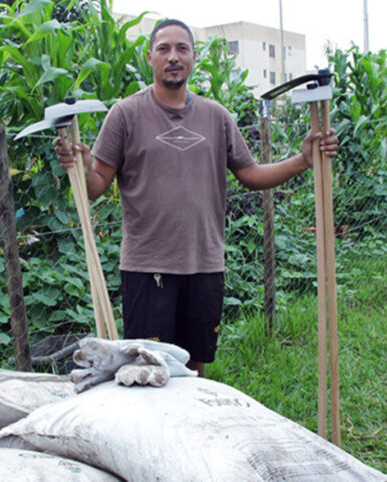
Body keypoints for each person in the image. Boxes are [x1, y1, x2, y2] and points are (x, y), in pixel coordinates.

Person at [54, 19, 338, 377]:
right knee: (146, 368)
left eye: (182, 49)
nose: (173, 57)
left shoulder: (216, 116)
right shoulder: (125, 114)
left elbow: (250, 174)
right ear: (150, 58)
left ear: (193, 57)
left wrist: (303, 161)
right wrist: (80, 165)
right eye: (164, 49)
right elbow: (94, 186)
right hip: (147, 267)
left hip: (205, 263)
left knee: (194, 368)